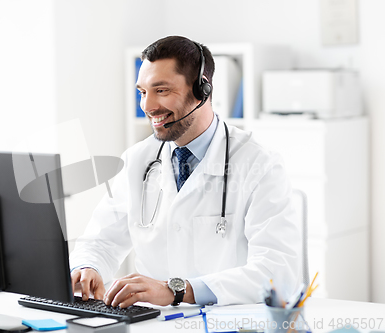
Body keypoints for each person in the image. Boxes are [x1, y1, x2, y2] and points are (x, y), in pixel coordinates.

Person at [70, 36, 301, 308]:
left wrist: (177, 290)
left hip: (228, 321)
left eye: (162, 90)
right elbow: (101, 240)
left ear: (202, 90)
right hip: (154, 324)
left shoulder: (259, 164)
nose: (147, 106)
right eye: (143, 92)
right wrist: (89, 267)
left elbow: (277, 271)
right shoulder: (137, 160)